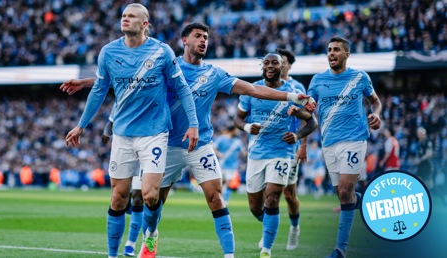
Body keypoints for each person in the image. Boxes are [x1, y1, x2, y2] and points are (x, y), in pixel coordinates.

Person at [60, 22, 316, 258]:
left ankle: (229, 255)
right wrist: (84, 83)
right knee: (151, 200)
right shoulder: (167, 65)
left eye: (206, 37)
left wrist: (292, 97)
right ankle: (151, 236)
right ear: (184, 40)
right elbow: (125, 81)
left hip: (200, 144)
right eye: (198, 36)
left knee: (215, 197)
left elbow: (253, 89)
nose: (203, 41)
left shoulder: (215, 74)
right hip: (166, 144)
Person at [63, 4, 200, 258]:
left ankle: (151, 234)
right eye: (123, 15)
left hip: (155, 132)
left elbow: (182, 88)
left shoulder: (162, 52)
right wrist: (82, 125)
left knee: (149, 196)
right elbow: (100, 90)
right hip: (123, 135)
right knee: (118, 199)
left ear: (144, 23)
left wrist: (193, 124)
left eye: (131, 16)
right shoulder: (109, 51)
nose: (125, 19)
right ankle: (112, 255)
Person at [234, 53, 318, 258]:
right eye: (266, 63)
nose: (270, 66)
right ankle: (270, 228)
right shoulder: (251, 90)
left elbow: (312, 122)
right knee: (255, 208)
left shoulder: (294, 91)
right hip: (256, 154)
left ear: (284, 67)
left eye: (275, 63)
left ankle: (266, 250)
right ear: (262, 67)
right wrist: (246, 126)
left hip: (282, 153)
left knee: (273, 198)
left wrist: (298, 135)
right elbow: (237, 118)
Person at [307, 37, 382, 258]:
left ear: (346, 54)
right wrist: (299, 109)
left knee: (344, 191)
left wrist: (376, 114)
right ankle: (367, 202)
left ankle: (340, 250)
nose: (331, 53)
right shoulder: (317, 80)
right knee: (343, 195)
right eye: (329, 50)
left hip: (355, 139)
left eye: (337, 50)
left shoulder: (360, 77)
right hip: (328, 143)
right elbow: (308, 111)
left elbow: (375, 101)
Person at [274, 48, 307, 250]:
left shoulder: (297, 87)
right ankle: (268, 237)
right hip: (268, 147)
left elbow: (306, 117)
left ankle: (294, 228)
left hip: (289, 147)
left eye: (283, 61)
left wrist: (302, 145)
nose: (280, 64)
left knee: (288, 195)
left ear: (289, 65)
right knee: (266, 193)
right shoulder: (267, 85)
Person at [102, 103, 145, 257]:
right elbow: (111, 121)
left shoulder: (153, 90)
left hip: (147, 147)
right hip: (125, 149)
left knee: (139, 197)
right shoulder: (124, 94)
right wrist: (107, 133)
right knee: (122, 199)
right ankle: (127, 208)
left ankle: (130, 245)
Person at [214, 125, 246, 205]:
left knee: (228, 183)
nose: (238, 132)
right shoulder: (221, 139)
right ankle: (218, 199)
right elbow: (214, 147)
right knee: (220, 184)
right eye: (236, 130)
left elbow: (243, 152)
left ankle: (225, 201)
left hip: (232, 166)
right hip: (221, 164)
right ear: (232, 130)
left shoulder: (238, 141)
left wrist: (247, 154)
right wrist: (218, 154)